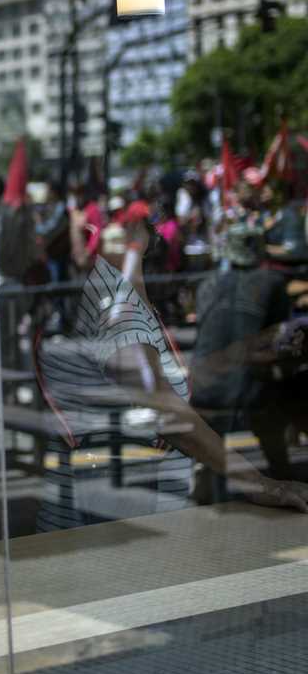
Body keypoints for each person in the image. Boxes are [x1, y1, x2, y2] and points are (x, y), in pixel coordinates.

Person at [35, 201, 308, 531]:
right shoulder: (126, 314)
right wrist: (259, 484)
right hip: (119, 502)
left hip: (126, 492)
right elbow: (164, 408)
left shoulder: (122, 301)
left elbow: (190, 378)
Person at [191, 223, 305, 484]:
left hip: (202, 387)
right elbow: (278, 340)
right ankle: (281, 470)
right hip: (248, 393)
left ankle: (206, 471)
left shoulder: (206, 285)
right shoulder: (272, 283)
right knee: (275, 391)